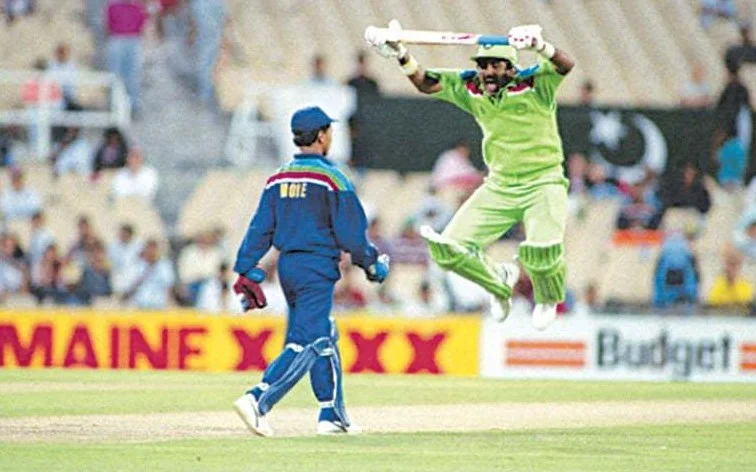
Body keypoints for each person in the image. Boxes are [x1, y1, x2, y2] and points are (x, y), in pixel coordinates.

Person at [368, 21, 575, 329]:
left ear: (511, 67)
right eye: (483, 65)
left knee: (542, 252)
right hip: (500, 186)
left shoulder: (535, 83)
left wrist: (541, 47)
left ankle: (548, 298)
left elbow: (565, 65)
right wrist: (401, 54)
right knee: (448, 251)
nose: (487, 72)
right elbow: (426, 83)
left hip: (544, 181)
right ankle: (499, 282)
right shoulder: (471, 87)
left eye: (495, 65)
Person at [231, 106, 389, 437]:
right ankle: (258, 399)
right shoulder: (332, 177)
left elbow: (260, 227)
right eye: (329, 131)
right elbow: (352, 233)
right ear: (320, 136)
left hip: (288, 267)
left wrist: (245, 266)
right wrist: (372, 264)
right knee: (308, 339)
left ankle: (331, 413)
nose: (331, 137)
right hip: (316, 267)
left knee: (324, 333)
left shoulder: (278, 177)